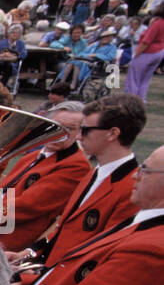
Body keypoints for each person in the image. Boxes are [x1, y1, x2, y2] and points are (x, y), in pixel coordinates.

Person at [0, 144, 164, 285]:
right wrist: (24, 283)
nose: (135, 175)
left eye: (145, 169)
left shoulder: (152, 246)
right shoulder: (145, 224)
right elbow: (69, 272)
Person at [19, 93, 144, 265]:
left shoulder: (132, 188)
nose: (78, 136)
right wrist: (29, 253)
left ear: (112, 134)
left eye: (85, 130)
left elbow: (100, 255)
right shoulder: (94, 173)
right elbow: (62, 230)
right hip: (41, 267)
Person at [0, 102, 89, 252]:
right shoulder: (33, 155)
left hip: (6, 239)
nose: (60, 133)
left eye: (69, 129)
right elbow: (2, 191)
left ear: (79, 133)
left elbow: (27, 207)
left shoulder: (77, 166)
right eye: (55, 125)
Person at [127, 8, 164, 101]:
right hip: (159, 52)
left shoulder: (157, 23)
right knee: (145, 79)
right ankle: (141, 99)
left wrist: (136, 55)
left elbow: (146, 41)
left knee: (134, 77)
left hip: (148, 51)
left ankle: (132, 100)